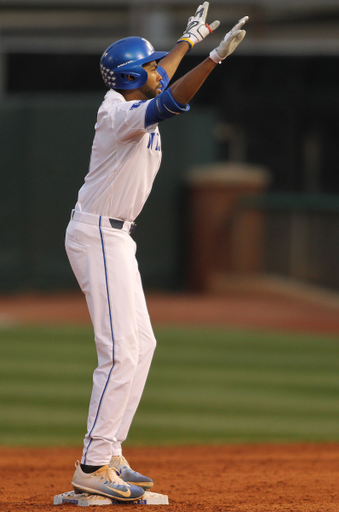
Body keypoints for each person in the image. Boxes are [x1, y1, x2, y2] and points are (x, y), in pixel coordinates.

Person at [65, 2, 248, 502]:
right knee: (120, 352)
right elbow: (169, 100)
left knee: (141, 346)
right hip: (98, 234)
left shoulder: (129, 91)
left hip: (116, 236)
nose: (158, 70)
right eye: (149, 66)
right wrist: (213, 61)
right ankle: (93, 465)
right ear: (131, 76)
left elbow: (156, 79)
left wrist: (187, 41)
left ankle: (111, 450)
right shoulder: (121, 113)